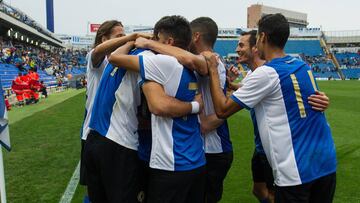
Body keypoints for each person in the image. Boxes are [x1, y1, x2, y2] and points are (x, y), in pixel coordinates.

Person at [204, 13, 336, 203]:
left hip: (297, 169)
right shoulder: (302, 66)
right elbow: (309, 101)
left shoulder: (267, 73)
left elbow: (222, 110)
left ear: (263, 37)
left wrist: (213, 72)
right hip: (326, 163)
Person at [108, 15, 207, 203]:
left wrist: (137, 41)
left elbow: (115, 58)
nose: (153, 44)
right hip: (197, 161)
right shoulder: (197, 65)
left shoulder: (164, 63)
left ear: (168, 42)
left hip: (171, 164)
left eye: (157, 39)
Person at [134, 17, 232, 203]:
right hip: (200, 148)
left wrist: (148, 43)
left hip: (214, 147)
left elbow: (188, 59)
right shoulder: (197, 62)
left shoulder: (211, 61)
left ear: (195, 36)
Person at [231, 30, 331, 203]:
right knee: (259, 189)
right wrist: (230, 84)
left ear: (257, 46)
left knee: (275, 193)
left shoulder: (268, 73)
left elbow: (223, 110)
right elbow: (244, 90)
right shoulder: (253, 76)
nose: (237, 49)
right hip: (261, 143)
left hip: (279, 148)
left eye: (241, 45)